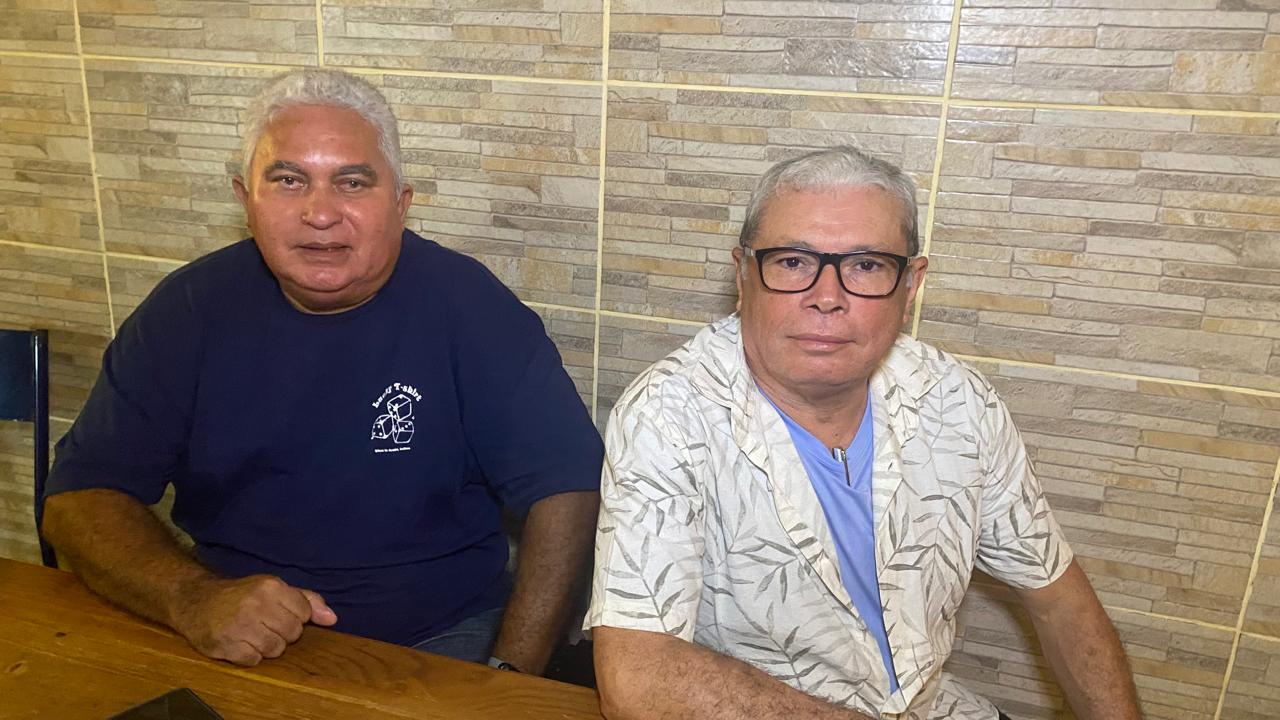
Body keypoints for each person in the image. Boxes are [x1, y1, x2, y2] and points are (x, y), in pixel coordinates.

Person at [41, 68, 602, 674]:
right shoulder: (186, 310)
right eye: (288, 181)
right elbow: (76, 498)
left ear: (401, 203)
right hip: (226, 626)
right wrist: (191, 597)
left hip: (439, 636)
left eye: (352, 182)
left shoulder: (472, 308)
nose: (320, 213)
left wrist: (509, 676)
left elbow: (570, 488)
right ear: (245, 201)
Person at [586, 146, 1143, 719]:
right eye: (792, 262)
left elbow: (1059, 601)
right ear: (743, 274)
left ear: (912, 284)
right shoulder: (667, 415)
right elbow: (638, 676)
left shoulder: (958, 398)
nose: (826, 298)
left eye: (867, 266)